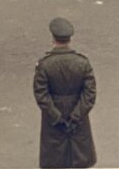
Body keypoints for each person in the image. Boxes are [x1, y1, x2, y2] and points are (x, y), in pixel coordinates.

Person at [34, 17, 96, 169]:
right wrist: (75, 117)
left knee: (55, 161)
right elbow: (89, 95)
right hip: (79, 120)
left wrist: (57, 118)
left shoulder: (45, 65)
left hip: (53, 122)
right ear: (69, 39)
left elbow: (42, 96)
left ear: (53, 38)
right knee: (79, 160)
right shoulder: (82, 63)